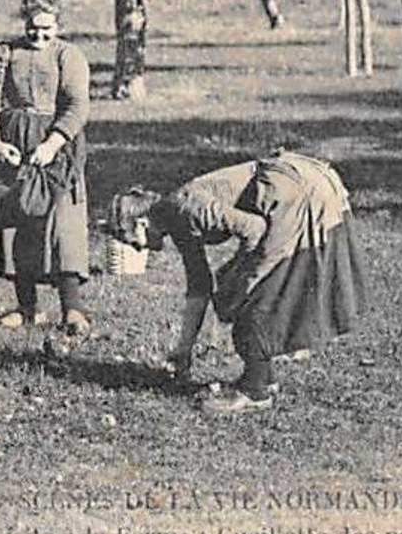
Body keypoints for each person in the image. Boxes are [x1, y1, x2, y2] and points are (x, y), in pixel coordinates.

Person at [110, 150, 369, 415]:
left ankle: (254, 392)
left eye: (134, 243)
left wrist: (243, 280)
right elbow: (199, 288)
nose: (141, 250)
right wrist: (183, 351)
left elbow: (254, 229)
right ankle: (262, 379)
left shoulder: (185, 207)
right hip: (300, 185)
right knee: (236, 292)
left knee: (250, 297)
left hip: (299, 191)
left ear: (141, 224)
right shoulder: (175, 215)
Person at [0, 0, 95, 335]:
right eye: (34, 27)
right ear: (25, 22)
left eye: (48, 28)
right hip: (13, 143)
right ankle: (27, 306)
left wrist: (52, 144)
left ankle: (73, 308)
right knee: (16, 223)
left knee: (62, 221)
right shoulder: (4, 53)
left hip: (57, 144)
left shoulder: (70, 56)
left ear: (58, 23)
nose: (40, 35)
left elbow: (78, 106)